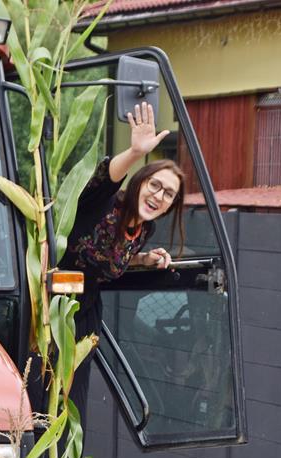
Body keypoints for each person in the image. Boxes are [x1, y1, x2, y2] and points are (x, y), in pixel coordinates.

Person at [62, 101, 187, 440]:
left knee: (72, 403)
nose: (159, 196)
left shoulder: (144, 230)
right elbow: (105, 178)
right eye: (155, 186)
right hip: (51, 303)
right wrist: (134, 152)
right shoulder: (107, 203)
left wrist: (142, 260)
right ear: (140, 182)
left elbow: (107, 259)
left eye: (169, 195)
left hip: (85, 312)